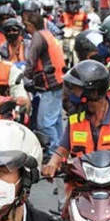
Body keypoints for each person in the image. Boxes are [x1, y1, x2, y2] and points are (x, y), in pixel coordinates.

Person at [24, 12, 66, 156]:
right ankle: (62, 150)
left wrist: (26, 77)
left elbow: (31, 60)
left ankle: (53, 153)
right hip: (59, 81)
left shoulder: (37, 37)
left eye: (26, 25)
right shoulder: (48, 34)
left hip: (50, 84)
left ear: (31, 26)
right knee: (56, 121)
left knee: (45, 123)